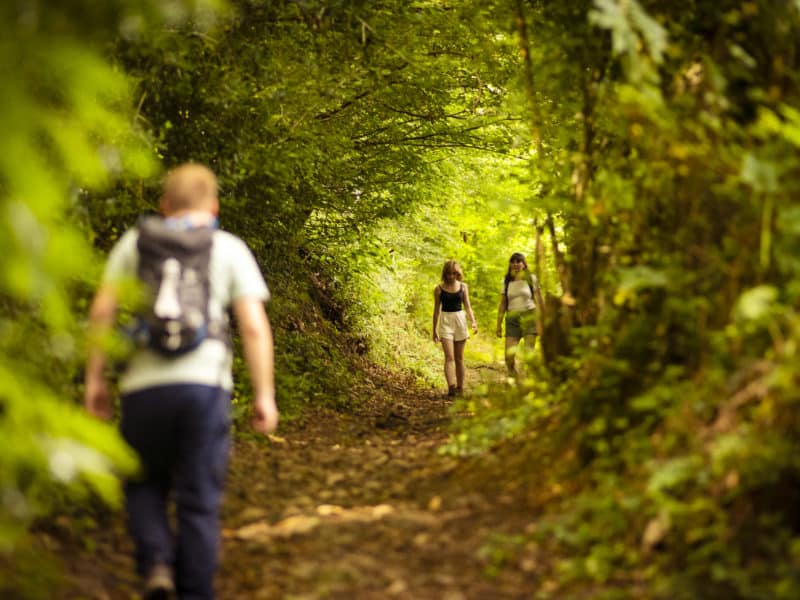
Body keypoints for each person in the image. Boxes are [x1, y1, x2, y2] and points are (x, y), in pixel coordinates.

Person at [84, 163, 278, 600]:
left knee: (144, 482)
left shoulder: (135, 244)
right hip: (203, 390)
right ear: (213, 206)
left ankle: (155, 562)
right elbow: (252, 325)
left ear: (164, 206)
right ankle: (194, 591)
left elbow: (102, 313)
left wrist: (95, 381)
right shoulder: (227, 247)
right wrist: (264, 394)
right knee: (199, 500)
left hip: (142, 390)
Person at [432, 260, 478, 396]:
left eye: (454, 273)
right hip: (445, 321)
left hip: (460, 321)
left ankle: (460, 388)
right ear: (444, 274)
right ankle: (451, 388)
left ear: (458, 274)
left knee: (459, 358)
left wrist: (473, 322)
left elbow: (468, 306)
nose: (451, 276)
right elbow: (436, 311)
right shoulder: (438, 289)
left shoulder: (463, 287)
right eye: (448, 274)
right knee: (449, 357)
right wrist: (434, 329)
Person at [495, 252, 545, 375]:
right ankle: (515, 377)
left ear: (524, 264)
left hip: (529, 317)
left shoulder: (531, 278)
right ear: (510, 264)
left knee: (529, 353)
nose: (516, 264)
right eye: (513, 262)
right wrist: (498, 324)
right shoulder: (506, 281)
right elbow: (503, 304)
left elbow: (539, 300)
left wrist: (544, 319)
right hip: (512, 319)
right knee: (508, 357)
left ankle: (529, 382)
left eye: (518, 261)